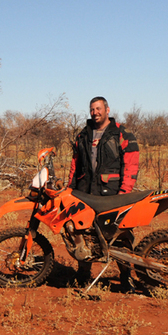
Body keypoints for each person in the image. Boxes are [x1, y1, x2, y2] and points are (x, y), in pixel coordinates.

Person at [67, 97, 139, 287]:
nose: (95, 112)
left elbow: (131, 165)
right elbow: (75, 165)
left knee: (120, 234)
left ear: (107, 110)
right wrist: (70, 189)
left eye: (98, 108)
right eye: (92, 109)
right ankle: (83, 275)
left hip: (113, 193)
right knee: (82, 232)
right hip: (85, 192)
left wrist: (125, 192)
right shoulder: (83, 135)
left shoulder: (121, 134)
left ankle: (126, 277)